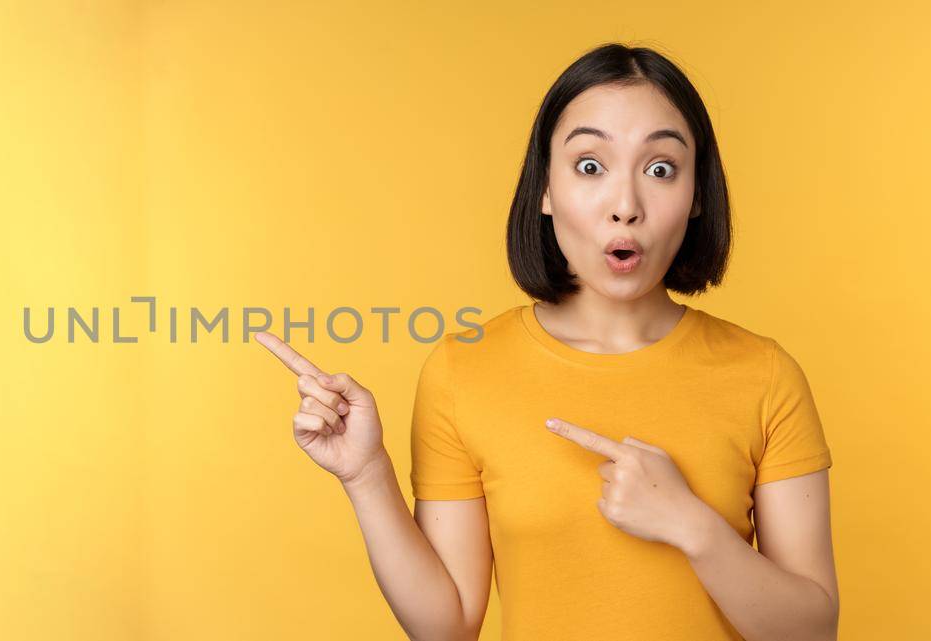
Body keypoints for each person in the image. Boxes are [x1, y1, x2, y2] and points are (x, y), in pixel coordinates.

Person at [254, 43, 838, 641]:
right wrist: (367, 476)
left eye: (660, 168)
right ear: (546, 191)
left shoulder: (764, 375)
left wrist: (693, 526)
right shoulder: (464, 370)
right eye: (591, 165)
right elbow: (447, 626)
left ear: (695, 199)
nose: (626, 206)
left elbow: (811, 633)